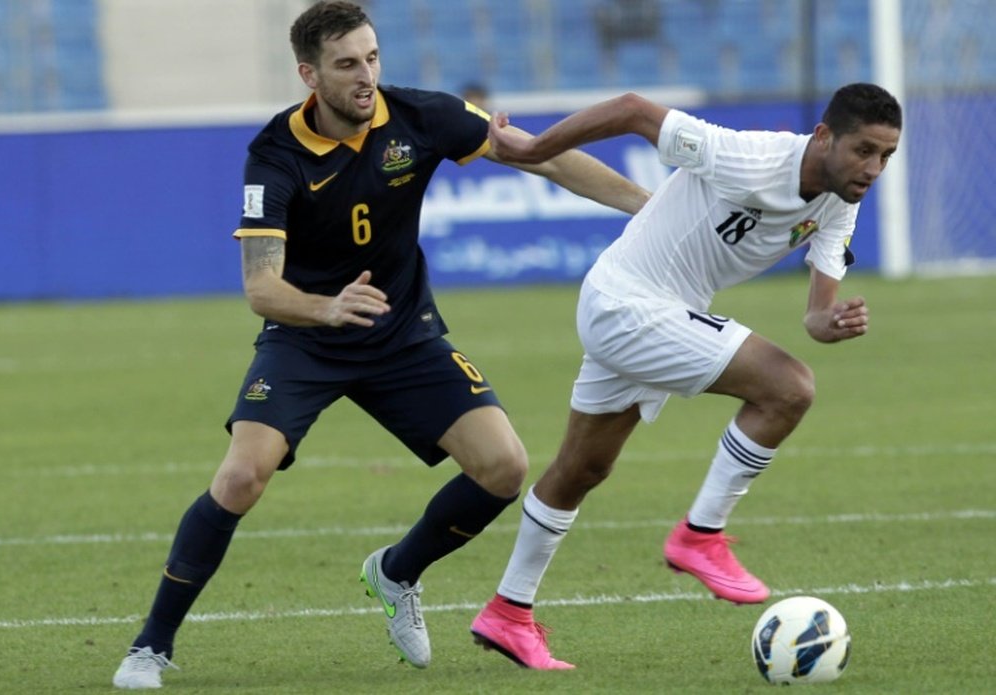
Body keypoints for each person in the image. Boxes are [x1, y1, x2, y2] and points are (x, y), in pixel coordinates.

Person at [111, 2, 649, 689]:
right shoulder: (273, 155)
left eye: (372, 59)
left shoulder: (422, 116)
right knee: (243, 475)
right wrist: (326, 307)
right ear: (309, 74)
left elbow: (539, 158)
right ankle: (151, 646)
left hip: (401, 332)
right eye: (346, 65)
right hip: (306, 335)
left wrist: (646, 203)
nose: (366, 77)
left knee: (504, 467)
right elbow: (261, 287)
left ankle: (396, 572)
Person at [470, 83, 902, 669]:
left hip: (658, 311)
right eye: (864, 150)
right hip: (628, 302)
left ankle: (508, 612)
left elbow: (816, 314)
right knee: (788, 387)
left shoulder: (840, 200)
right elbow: (631, 110)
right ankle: (700, 536)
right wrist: (532, 149)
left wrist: (832, 322)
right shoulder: (746, 155)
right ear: (824, 136)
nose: (873, 168)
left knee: (582, 468)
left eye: (886, 156)